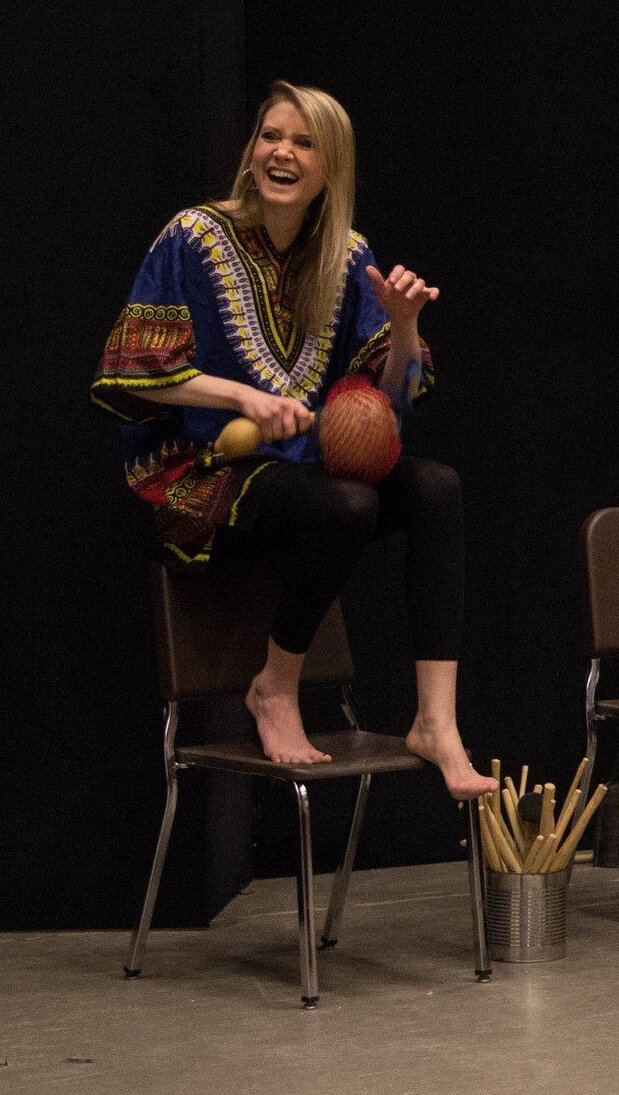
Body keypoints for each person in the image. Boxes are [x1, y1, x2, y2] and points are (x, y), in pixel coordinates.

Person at [89, 81, 494, 800]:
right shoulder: (191, 236)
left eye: (304, 143)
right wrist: (241, 395)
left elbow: (391, 405)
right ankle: (274, 690)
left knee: (436, 487)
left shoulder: (348, 255)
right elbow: (133, 377)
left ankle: (436, 721)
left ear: (330, 168)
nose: (282, 151)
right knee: (347, 506)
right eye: (271, 136)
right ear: (251, 152)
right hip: (198, 470)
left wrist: (403, 327)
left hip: (300, 472)